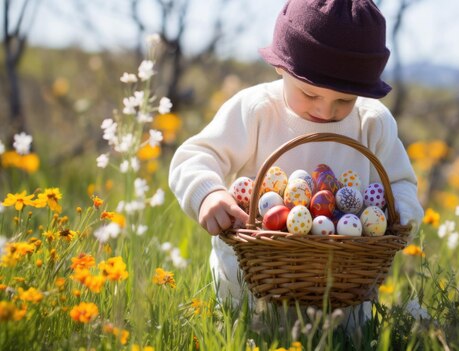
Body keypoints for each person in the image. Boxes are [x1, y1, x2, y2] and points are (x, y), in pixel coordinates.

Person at [169, 0, 424, 331]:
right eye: (309, 93)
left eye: (344, 100)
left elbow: (402, 183)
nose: (326, 110)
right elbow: (194, 156)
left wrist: (397, 214)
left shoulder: (371, 122)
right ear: (281, 67)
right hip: (249, 299)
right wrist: (207, 194)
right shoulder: (257, 110)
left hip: (342, 306)